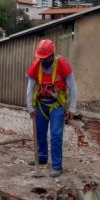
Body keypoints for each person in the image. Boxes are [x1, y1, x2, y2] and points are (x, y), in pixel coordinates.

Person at [26, 39, 77, 177]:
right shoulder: (36, 65)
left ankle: (56, 166)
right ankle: (41, 158)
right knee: (40, 132)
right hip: (41, 104)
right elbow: (30, 87)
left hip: (57, 105)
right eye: (40, 58)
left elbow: (72, 87)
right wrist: (30, 107)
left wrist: (72, 108)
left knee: (55, 135)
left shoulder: (62, 65)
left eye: (45, 58)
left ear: (51, 55)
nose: (42, 60)